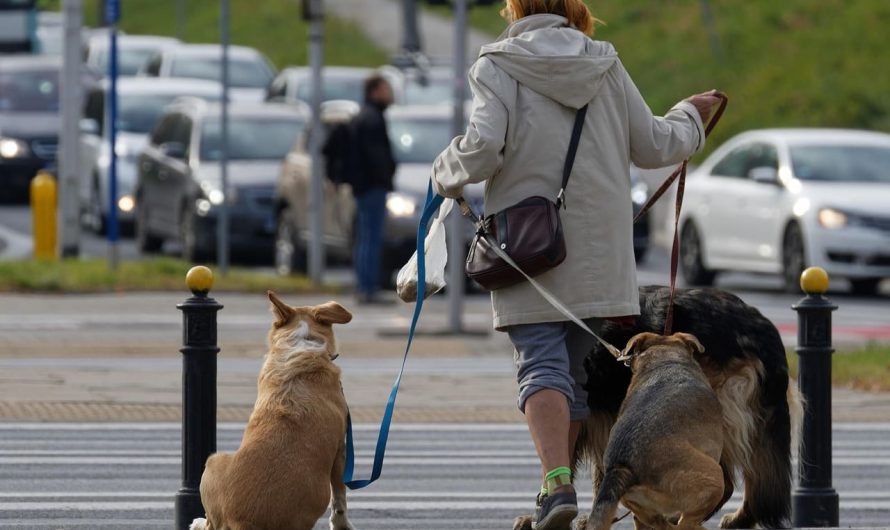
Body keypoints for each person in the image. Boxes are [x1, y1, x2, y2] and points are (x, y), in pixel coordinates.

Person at [430, 2, 721, 528]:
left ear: (515, 8)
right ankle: (553, 490)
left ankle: (556, 485)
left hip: (528, 245)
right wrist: (692, 118)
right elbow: (655, 143)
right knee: (573, 377)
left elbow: (482, 149)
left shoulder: (497, 64)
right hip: (601, 254)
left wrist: (443, 170)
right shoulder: (605, 62)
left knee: (540, 364)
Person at [352, 75, 397, 304]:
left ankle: (365, 285)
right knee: (370, 237)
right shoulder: (371, 118)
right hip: (372, 187)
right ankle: (368, 287)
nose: (390, 93)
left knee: (365, 236)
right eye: (386, 89)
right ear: (376, 91)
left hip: (365, 187)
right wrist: (386, 175)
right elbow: (376, 156)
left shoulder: (366, 115)